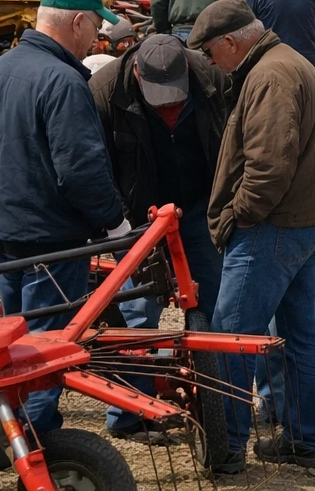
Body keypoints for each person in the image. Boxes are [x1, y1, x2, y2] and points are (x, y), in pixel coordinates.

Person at [0, 0, 128, 432]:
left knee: (14, 336)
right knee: (43, 349)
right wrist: (115, 225)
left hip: (1, 231)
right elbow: (81, 169)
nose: (97, 37)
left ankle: (22, 425)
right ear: (77, 22)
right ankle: (33, 449)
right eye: (95, 26)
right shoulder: (63, 81)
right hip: (49, 239)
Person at [189, 0, 315, 472]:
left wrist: (239, 216)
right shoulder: (287, 62)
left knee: (231, 338)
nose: (212, 64)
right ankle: (304, 440)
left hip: (274, 227)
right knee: (300, 334)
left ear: (231, 43)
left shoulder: (270, 77)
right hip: (306, 222)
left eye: (211, 54)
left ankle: (226, 448)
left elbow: (269, 166)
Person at [90, 33, 228, 437]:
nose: (168, 104)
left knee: (212, 303)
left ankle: (217, 408)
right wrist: (113, 220)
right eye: (159, 97)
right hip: (137, 218)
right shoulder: (103, 92)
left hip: (199, 208)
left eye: (175, 96)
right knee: (139, 316)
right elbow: (95, 161)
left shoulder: (213, 79)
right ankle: (128, 416)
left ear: (186, 69)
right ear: (136, 72)